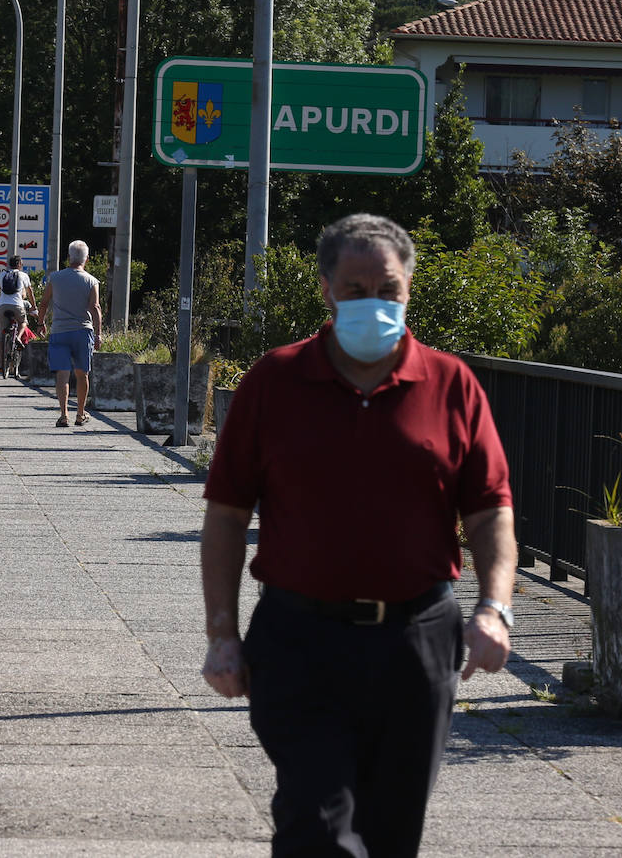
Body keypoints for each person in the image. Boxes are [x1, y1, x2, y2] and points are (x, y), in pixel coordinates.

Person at [200, 213, 516, 858]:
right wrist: (222, 635)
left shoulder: (451, 384)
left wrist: (494, 607)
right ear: (326, 289)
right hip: (300, 640)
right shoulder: (275, 381)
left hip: (417, 641)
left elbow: (489, 510)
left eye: (388, 290)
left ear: (408, 290)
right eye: (355, 289)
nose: (372, 303)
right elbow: (227, 515)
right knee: (316, 829)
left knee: (392, 834)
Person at [39, 240, 102, 427]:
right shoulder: (91, 281)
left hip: (59, 332)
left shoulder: (55, 278)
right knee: (83, 374)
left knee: (62, 374)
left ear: (69, 257)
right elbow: (95, 307)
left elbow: (44, 303)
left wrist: (41, 323)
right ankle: (80, 414)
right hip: (83, 331)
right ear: (87, 259)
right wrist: (98, 334)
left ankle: (64, 414)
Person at [0, 255, 38, 377]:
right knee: (23, 322)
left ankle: (1, 364)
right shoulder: (23, 275)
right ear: (19, 264)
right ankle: (18, 337)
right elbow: (30, 292)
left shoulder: (2, 275)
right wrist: (33, 306)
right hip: (17, 305)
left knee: (1, 333)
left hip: (2, 306)